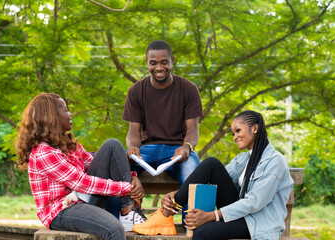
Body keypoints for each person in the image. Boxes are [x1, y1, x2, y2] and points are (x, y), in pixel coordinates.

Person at [132, 110, 294, 240]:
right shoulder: (244, 159)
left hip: (258, 222)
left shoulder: (274, 161)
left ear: (255, 128)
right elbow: (214, 179)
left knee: (203, 233)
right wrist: (177, 195)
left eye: (238, 131)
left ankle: (165, 215)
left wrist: (212, 216)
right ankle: (166, 214)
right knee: (211, 164)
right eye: (233, 133)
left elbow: (255, 202)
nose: (235, 136)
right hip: (241, 214)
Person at [15, 93, 147, 240]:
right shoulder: (43, 153)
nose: (70, 113)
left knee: (112, 145)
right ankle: (127, 212)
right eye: (65, 110)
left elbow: (94, 162)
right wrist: (127, 187)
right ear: (52, 117)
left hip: (82, 200)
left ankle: (128, 211)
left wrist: (132, 177)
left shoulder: (68, 143)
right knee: (114, 228)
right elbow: (82, 182)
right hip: (62, 210)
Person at [122, 39, 203, 186]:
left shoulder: (189, 89)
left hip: (178, 151)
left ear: (172, 61)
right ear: (147, 62)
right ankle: (127, 210)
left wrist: (186, 147)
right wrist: (132, 148)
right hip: (145, 150)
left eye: (164, 62)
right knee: (118, 170)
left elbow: (192, 129)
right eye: (153, 63)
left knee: (194, 180)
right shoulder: (135, 91)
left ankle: (190, 210)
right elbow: (133, 131)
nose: (159, 67)